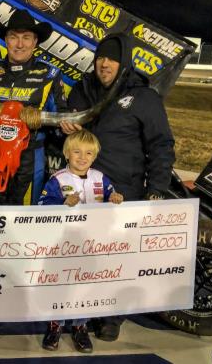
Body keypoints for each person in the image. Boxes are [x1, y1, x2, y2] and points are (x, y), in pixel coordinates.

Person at [60, 34, 175, 342]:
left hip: (123, 193)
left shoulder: (143, 97)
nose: (104, 64)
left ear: (123, 62)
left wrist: (158, 188)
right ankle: (80, 309)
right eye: (100, 58)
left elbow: (161, 144)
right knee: (83, 253)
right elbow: (70, 141)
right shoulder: (82, 90)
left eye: (111, 59)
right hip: (84, 191)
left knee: (117, 257)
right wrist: (67, 129)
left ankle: (111, 316)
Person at [39, 129, 123, 353]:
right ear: (67, 154)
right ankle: (55, 325)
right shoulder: (58, 180)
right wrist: (62, 202)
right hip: (64, 245)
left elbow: (111, 195)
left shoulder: (100, 178)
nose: (82, 157)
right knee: (62, 285)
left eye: (88, 153)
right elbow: (42, 207)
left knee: (85, 286)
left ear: (94, 156)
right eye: (76, 152)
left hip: (92, 245)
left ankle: (80, 326)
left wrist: (115, 198)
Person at [0, 8, 66, 205]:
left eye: (26, 37)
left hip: (31, 159)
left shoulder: (49, 74)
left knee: (24, 217)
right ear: (5, 40)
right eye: (13, 37)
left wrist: (42, 118)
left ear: (35, 42)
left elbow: (61, 121)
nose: (19, 44)